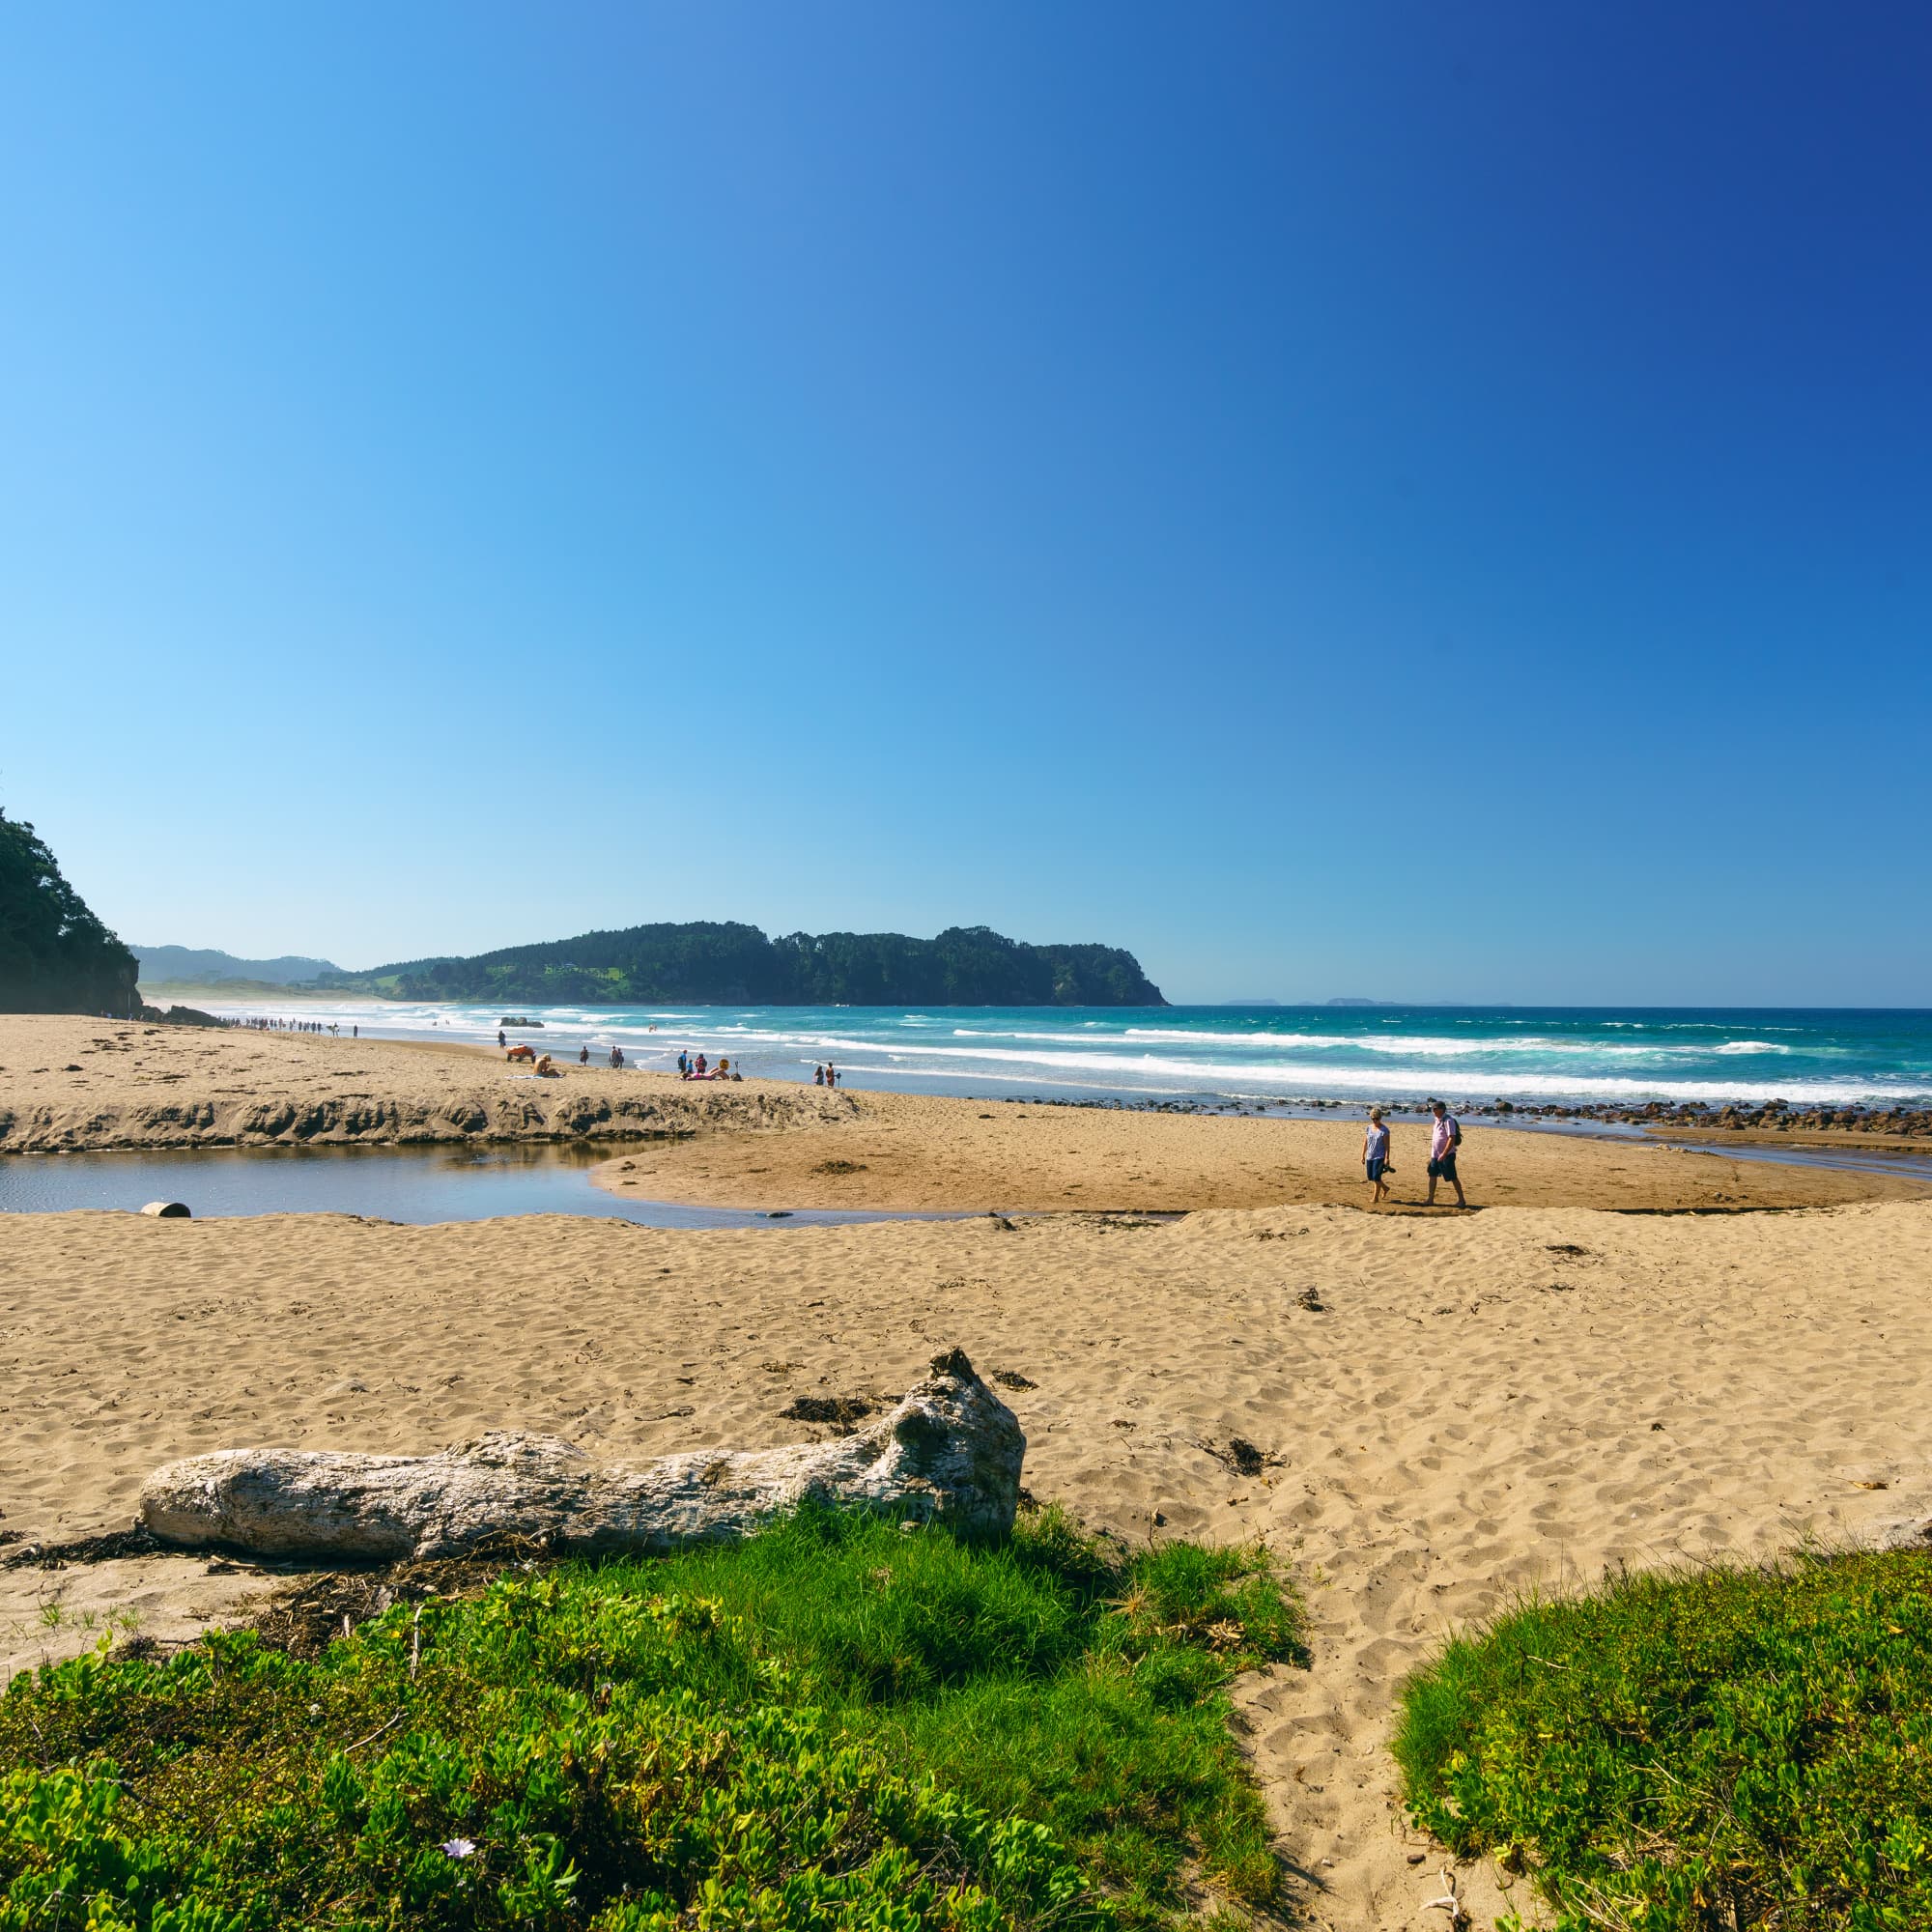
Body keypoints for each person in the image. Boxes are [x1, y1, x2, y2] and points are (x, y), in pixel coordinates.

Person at [1426, 1101, 1467, 1208]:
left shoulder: (1448, 1120)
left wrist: (1444, 1153)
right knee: (1432, 1175)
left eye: (1435, 1109)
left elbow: (1451, 1138)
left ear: (1442, 1109)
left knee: (1452, 1177)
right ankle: (1430, 1199)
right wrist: (1433, 1154)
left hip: (1447, 1154)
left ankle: (1461, 1200)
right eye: (1433, 1109)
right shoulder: (1436, 1120)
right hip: (1435, 1154)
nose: (1433, 1111)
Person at [1362, 1106, 1392, 1206]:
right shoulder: (1369, 1128)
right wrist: (1362, 1155)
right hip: (1370, 1156)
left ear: (1380, 1118)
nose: (1375, 1120)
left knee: (1376, 1177)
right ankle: (1385, 1188)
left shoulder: (1384, 1130)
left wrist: (1387, 1158)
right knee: (1371, 1177)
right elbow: (1365, 1142)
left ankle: (1375, 1198)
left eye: (1377, 1118)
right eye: (1373, 1118)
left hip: (1379, 1156)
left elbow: (1387, 1146)